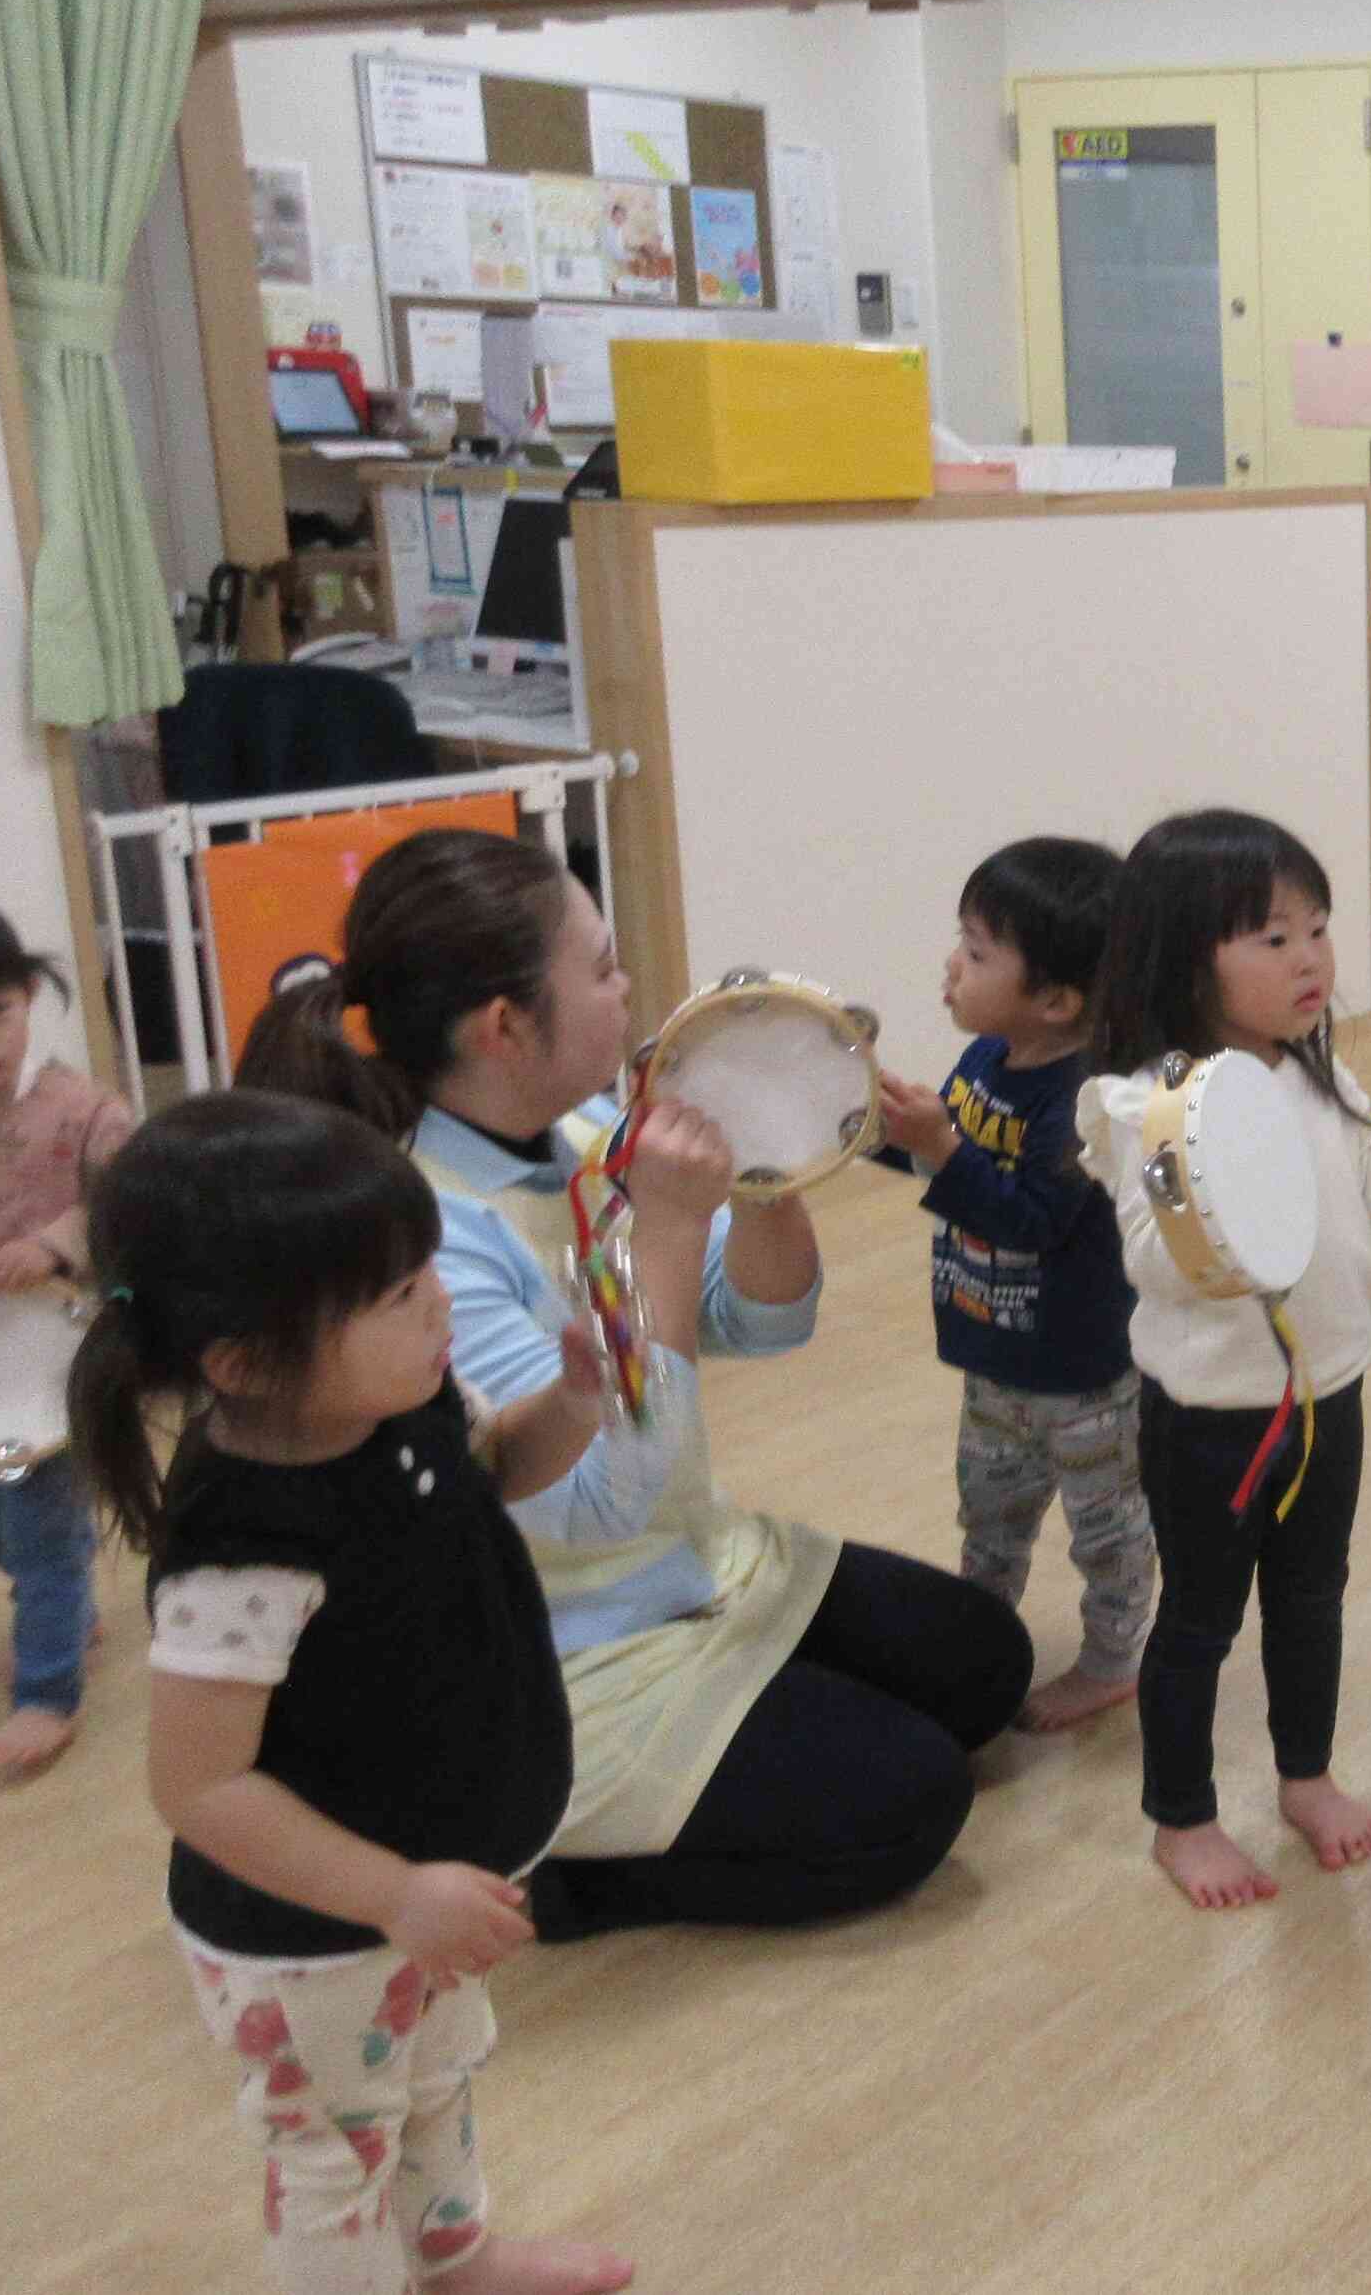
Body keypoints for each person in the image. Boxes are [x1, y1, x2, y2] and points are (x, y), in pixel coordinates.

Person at [239, 830, 1029, 1939]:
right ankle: (547, 1872)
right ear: (503, 1025)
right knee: (908, 1805)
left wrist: (764, 1169)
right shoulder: (419, 1238)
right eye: (603, 967)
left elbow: (766, 1316)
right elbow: (612, 1492)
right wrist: (663, 1221)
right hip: (565, 1638)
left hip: (685, 1556)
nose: (627, 991)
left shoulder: (576, 1128)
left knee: (985, 1666)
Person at [80, 1091, 634, 2295]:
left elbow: (501, 1468)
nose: (439, 1299)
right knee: (335, 2149)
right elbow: (197, 1782)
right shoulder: (245, 1547)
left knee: (434, 2082)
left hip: (416, 1895)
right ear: (242, 1361)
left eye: (427, 1266)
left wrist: (573, 1401)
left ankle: (454, 2258)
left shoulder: (405, 1402)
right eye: (395, 1292)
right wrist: (395, 1891)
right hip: (308, 1934)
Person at [1076, 811, 1371, 1912]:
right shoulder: (1145, 1101)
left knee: (1311, 1596)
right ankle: (1181, 1815)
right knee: (1200, 1615)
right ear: (1182, 959)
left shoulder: (1308, 1073)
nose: (1309, 958)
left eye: (1316, 928)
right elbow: (1159, 1256)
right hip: (1211, 1413)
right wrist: (1227, 1207)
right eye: (1271, 936)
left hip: (1327, 1388)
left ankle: (1305, 1774)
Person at [872, 837, 1152, 1733]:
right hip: (994, 1355)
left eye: (978, 951)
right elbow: (943, 1161)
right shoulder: (990, 1060)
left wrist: (939, 1146)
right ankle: (972, 1649)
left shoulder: (1087, 1099)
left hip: (1083, 1376)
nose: (952, 965)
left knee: (1106, 1530)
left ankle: (1111, 1663)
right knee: (988, 1517)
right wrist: (858, 1124)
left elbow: (1031, 1219)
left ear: (1059, 1000)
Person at [0, 901, 130, 1777]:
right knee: (11, 1527)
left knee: (37, 1523)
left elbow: (125, 1204)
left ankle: (47, 1689)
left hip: (54, 1357)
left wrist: (53, 1244)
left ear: (30, 996)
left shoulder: (84, 1111)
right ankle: (68, 1596)